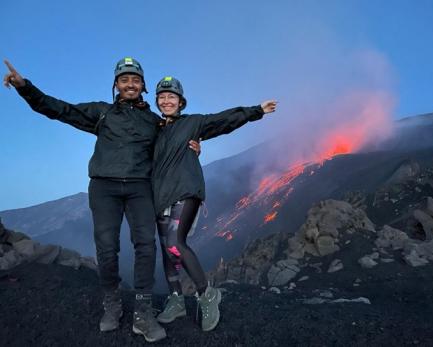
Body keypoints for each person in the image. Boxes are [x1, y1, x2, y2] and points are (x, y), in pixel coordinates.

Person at [3, 59, 200, 343]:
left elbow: (174, 142)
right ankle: (112, 303)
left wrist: (194, 145)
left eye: (135, 79)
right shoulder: (101, 112)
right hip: (104, 187)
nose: (130, 84)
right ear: (116, 85)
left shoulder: (154, 123)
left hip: (140, 188)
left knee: (146, 246)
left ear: (143, 85)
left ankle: (143, 313)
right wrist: (25, 88)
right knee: (107, 248)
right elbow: (60, 110)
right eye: (124, 79)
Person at [152, 76, 277, 331]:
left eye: (171, 97)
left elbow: (222, 121)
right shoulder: (155, 130)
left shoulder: (193, 123)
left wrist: (256, 111)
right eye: (162, 97)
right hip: (160, 196)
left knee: (176, 243)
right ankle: (176, 299)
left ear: (181, 102)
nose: (166, 101)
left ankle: (206, 294)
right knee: (167, 249)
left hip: (186, 190)